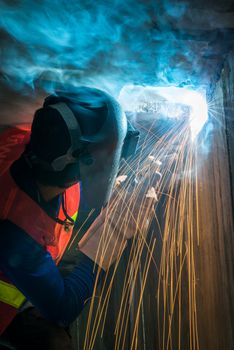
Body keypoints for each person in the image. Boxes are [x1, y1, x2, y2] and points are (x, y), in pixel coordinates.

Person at [0, 86, 160, 350]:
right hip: (8, 307)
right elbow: (63, 309)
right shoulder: (14, 233)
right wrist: (114, 230)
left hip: (23, 262)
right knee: (55, 343)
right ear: (82, 161)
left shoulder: (30, 140)